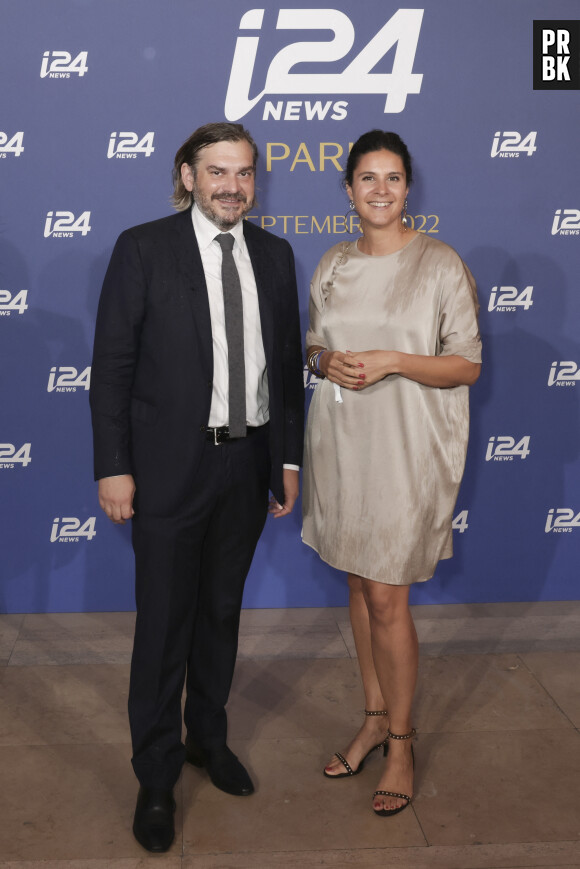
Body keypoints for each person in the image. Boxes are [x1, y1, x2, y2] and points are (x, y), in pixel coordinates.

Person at [89, 122, 304, 852]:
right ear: (186, 175)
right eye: (217, 172)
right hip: (168, 470)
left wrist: (288, 460)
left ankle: (206, 739)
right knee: (163, 628)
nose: (232, 187)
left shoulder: (275, 255)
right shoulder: (143, 247)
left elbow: (282, 372)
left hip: (246, 468)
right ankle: (155, 775)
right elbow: (112, 367)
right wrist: (112, 465)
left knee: (219, 615)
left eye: (244, 174)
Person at [302, 130, 481, 817]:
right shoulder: (331, 263)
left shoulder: (439, 263)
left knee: (387, 597)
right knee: (356, 577)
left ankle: (401, 740)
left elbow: (466, 363)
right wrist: (324, 362)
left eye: (393, 178)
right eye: (367, 178)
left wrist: (395, 359)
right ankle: (373, 715)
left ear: (410, 189)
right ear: (348, 190)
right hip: (341, 442)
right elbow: (315, 345)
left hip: (408, 448)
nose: (380, 190)